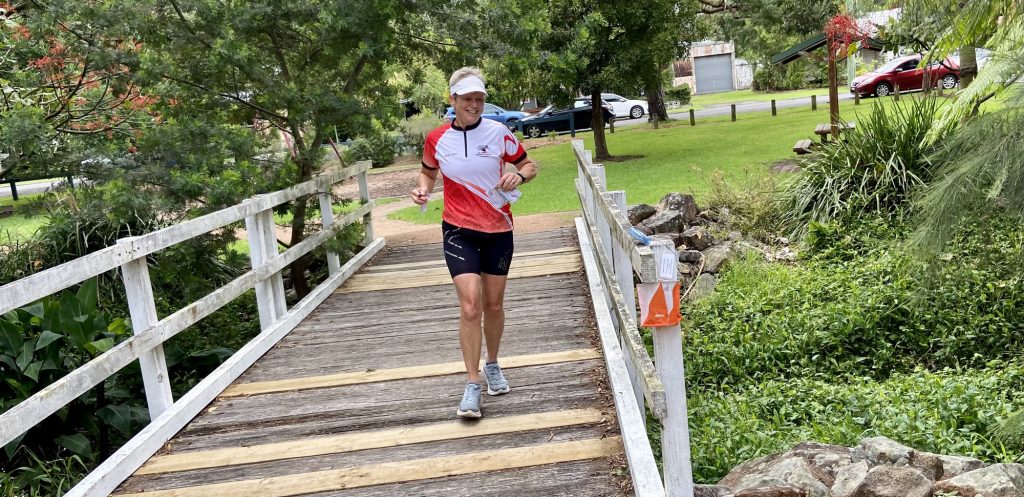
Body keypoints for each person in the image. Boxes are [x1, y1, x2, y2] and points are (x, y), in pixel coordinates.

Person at [411, 67, 538, 418]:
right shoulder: (437, 139)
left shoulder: (499, 132)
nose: (475, 105)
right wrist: (423, 188)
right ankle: (471, 384)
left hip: (498, 229)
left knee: (493, 305)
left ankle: (492, 363)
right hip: (457, 229)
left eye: (480, 99)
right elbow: (428, 170)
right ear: (452, 100)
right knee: (470, 305)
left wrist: (518, 175)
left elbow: (529, 165)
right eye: (468, 99)